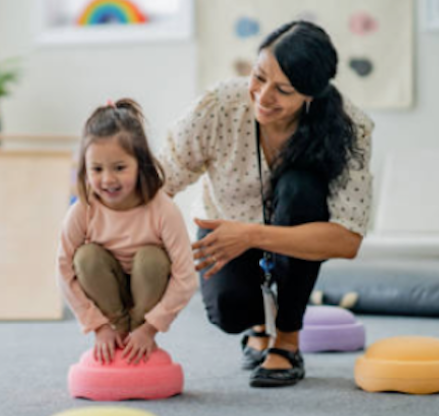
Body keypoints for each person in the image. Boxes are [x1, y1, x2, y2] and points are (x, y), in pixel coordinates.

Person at [159, 20, 373, 388]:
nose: (262, 96)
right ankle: (260, 324)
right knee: (228, 312)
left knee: (301, 189)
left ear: (311, 93)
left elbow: (347, 239)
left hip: (289, 235)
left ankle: (287, 340)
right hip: (223, 229)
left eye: (283, 90)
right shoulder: (220, 105)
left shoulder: (349, 126)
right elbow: (162, 178)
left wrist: (252, 235)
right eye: (259, 77)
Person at [58, 99, 198, 365]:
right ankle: (119, 332)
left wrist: (149, 329)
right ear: (85, 170)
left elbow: (186, 277)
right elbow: (63, 271)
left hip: (148, 296)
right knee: (86, 256)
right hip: (108, 298)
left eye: (119, 168)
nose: (108, 179)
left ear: (140, 164)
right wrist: (100, 327)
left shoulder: (163, 209)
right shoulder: (82, 210)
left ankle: (135, 333)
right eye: (96, 169)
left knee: (151, 258)